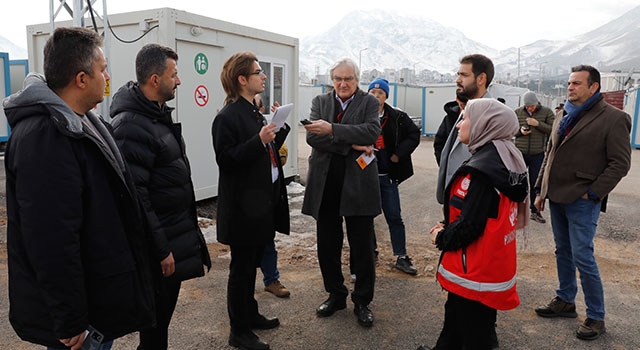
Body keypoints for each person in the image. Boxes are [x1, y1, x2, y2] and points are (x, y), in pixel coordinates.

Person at [3, 27, 155, 350]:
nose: (108, 76)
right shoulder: (45, 136)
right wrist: (69, 317)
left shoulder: (82, 120)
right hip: (78, 322)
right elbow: (51, 238)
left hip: (94, 300)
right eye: (102, 70)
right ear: (81, 79)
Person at [109, 43, 212, 350]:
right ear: (155, 80)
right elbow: (136, 197)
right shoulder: (131, 126)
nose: (178, 81)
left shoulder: (155, 118)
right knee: (153, 330)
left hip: (171, 237)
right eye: (174, 74)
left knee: (159, 326)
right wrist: (161, 249)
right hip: (159, 251)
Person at [533, 65, 631, 341]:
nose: (570, 87)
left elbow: (620, 163)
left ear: (594, 87)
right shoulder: (563, 113)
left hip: (582, 200)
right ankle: (565, 300)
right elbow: (550, 153)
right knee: (562, 251)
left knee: (583, 257)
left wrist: (592, 193)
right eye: (569, 83)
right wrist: (540, 189)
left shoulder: (613, 119)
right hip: (556, 197)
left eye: (577, 83)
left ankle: (596, 316)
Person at [422, 99, 528, 350]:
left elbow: (470, 225)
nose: (459, 125)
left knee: (471, 329)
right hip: (489, 266)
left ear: (484, 124)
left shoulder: (482, 171)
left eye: (465, 119)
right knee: (467, 323)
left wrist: (441, 236)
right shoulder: (505, 159)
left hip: (474, 272)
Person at [211, 51, 290, 350]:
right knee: (241, 271)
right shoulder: (227, 116)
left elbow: (265, 152)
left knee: (253, 265)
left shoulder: (253, 110)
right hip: (243, 211)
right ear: (242, 79)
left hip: (260, 206)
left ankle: (251, 314)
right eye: (258, 72)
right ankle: (238, 331)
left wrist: (276, 129)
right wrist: (259, 140)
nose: (264, 76)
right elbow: (226, 160)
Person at [301, 57, 381, 327]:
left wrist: (332, 130)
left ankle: (362, 301)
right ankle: (335, 295)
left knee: (362, 247)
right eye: (338, 79)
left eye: (348, 79)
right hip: (325, 184)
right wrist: (351, 144)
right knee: (327, 245)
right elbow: (312, 137)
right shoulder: (320, 102)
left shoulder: (369, 102)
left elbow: (370, 132)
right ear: (331, 80)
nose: (343, 84)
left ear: (357, 80)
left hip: (357, 185)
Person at [367, 78, 421, 275]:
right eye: (372, 92)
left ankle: (401, 256)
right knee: (366, 218)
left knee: (394, 217)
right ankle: (370, 253)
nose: (376, 96)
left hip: (387, 176)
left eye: (380, 93)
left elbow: (414, 134)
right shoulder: (361, 115)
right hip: (365, 177)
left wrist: (398, 154)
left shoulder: (397, 116)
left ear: (386, 96)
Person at [436, 54, 494, 204]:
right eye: (458, 74)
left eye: (464, 75)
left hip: (470, 204)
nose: (458, 80)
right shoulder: (469, 109)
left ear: (481, 79)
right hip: (455, 200)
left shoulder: (490, 115)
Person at [255, 93, 291, 298]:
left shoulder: (259, 120)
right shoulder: (233, 118)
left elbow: (274, 145)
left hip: (271, 188)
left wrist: (279, 122)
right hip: (254, 193)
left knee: (268, 237)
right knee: (253, 242)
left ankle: (271, 279)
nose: (261, 112)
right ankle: (249, 281)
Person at [513, 91, 555, 224]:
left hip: (538, 153)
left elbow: (554, 129)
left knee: (535, 183)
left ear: (537, 103)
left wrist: (538, 124)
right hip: (520, 152)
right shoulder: (517, 112)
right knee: (516, 181)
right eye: (528, 106)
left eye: (532, 106)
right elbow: (509, 130)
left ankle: (535, 211)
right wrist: (520, 132)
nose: (530, 108)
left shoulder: (547, 112)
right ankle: (514, 210)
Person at [434, 92, 468, 166]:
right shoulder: (449, 119)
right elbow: (439, 142)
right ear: (457, 100)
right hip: (450, 165)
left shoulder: (478, 117)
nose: (465, 109)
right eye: (463, 105)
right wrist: (443, 163)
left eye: (467, 105)